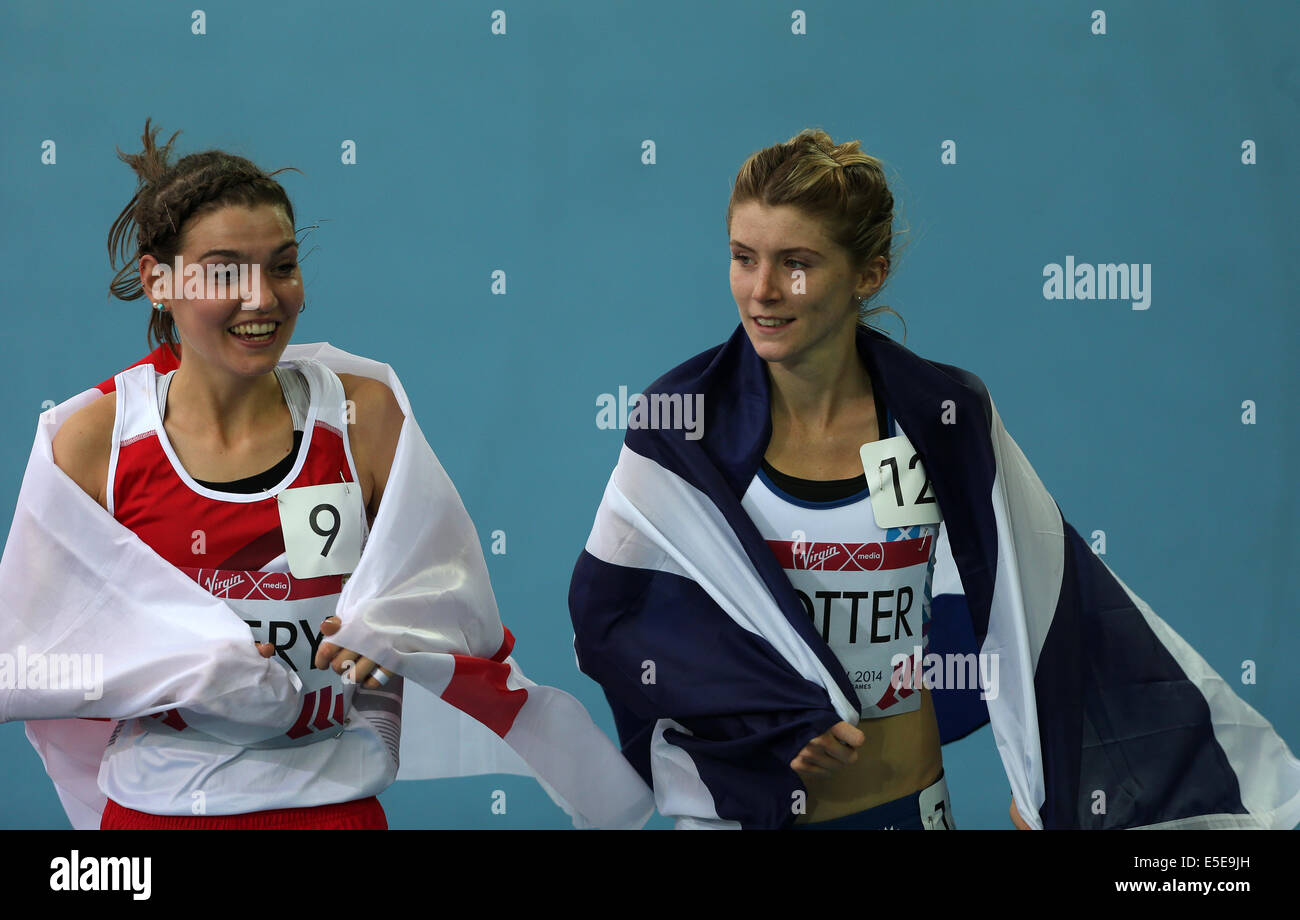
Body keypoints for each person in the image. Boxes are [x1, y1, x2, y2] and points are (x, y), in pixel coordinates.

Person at [568, 129, 1300, 830]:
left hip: (910, 811)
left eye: (796, 262)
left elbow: (1046, 599)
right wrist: (768, 710)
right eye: (741, 256)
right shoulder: (680, 429)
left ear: (869, 272)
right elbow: (614, 624)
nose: (762, 290)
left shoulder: (942, 418)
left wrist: (1055, 789)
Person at [2, 119, 654, 830]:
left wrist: (387, 641)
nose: (262, 299)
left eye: (282, 265)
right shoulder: (99, 444)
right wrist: (195, 665)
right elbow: (40, 653)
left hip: (332, 806)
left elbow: (448, 605)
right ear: (159, 280)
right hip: (159, 810)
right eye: (226, 271)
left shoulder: (359, 418)